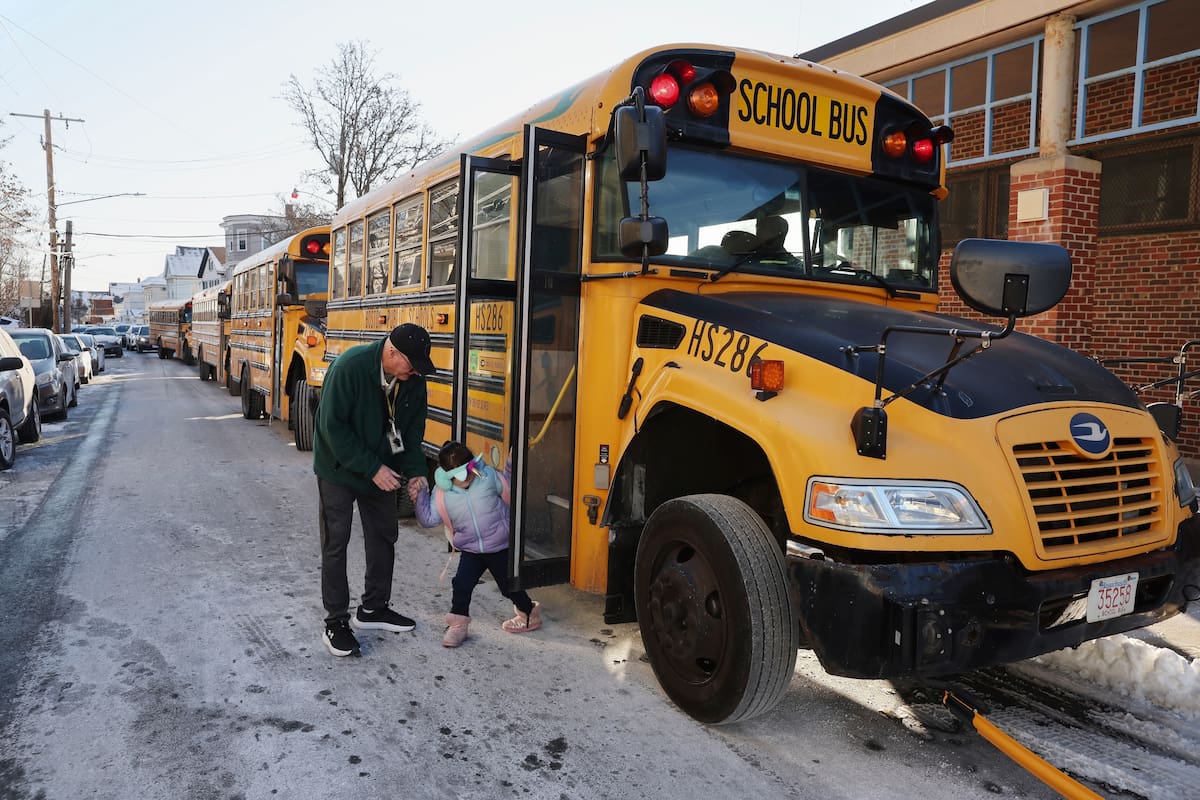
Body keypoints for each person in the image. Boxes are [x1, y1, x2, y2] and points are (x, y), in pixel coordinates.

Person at [313, 322, 436, 657]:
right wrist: (372, 469)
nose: (414, 372)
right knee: (336, 542)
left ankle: (373, 609)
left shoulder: (413, 381)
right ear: (391, 352)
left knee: (384, 534)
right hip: (338, 468)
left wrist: (414, 474)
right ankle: (335, 622)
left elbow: (411, 435)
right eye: (411, 364)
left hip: (383, 468)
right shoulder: (349, 367)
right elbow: (332, 428)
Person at [409, 441, 542, 648]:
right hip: (471, 549)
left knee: (509, 587)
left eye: (469, 470)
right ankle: (458, 625)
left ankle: (529, 612)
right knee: (461, 584)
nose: (467, 477)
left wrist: (510, 464)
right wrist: (420, 497)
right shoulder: (442, 494)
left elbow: (510, 485)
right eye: (460, 474)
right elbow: (428, 520)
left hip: (499, 546)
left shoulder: (487, 476)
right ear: (446, 475)